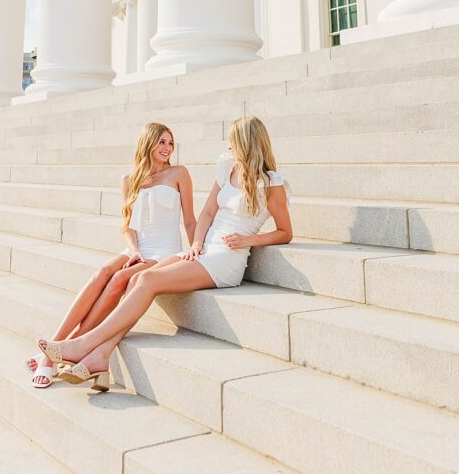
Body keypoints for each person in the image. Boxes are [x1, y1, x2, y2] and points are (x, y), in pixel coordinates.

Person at [37, 115, 292, 389]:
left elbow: (285, 232)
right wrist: (195, 244)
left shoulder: (271, 182)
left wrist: (247, 241)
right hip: (204, 249)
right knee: (135, 280)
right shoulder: (226, 168)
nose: (228, 145)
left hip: (226, 259)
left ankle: (83, 344)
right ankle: (100, 356)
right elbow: (206, 212)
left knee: (146, 280)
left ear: (245, 143)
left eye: (232, 140)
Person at [28, 121, 195, 387]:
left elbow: (189, 220)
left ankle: (59, 351)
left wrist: (197, 246)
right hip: (140, 247)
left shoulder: (179, 173)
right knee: (103, 273)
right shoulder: (129, 180)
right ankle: (57, 346)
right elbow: (127, 226)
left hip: (166, 250)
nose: (167, 147)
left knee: (120, 279)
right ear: (148, 143)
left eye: (170, 142)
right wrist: (135, 250)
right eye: (162, 141)